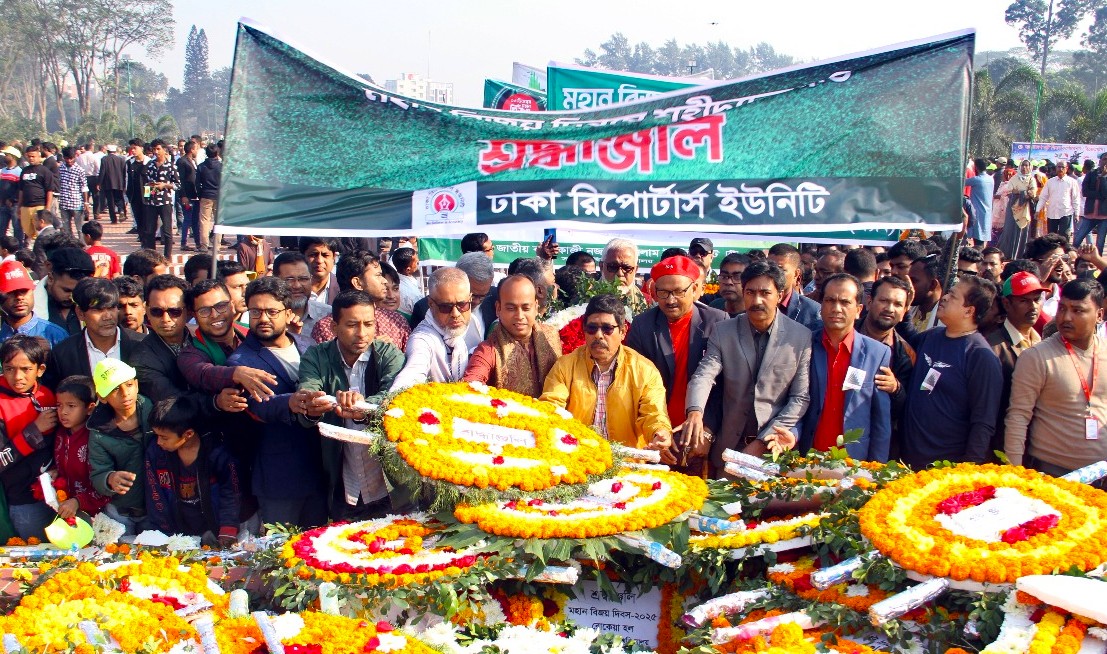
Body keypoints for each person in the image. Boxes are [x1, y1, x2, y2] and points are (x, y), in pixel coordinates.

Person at [683, 260, 812, 475]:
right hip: (728, 448)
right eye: (750, 292)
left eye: (765, 293)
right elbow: (704, 375)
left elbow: (800, 398)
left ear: (780, 295)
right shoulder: (723, 331)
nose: (757, 300)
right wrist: (695, 412)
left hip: (773, 449)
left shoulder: (800, 337)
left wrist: (763, 441)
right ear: (743, 292)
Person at [226, 276, 328, 529]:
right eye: (255, 312)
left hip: (320, 468)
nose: (263, 319)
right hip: (279, 477)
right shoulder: (241, 362)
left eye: (272, 312)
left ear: (288, 312)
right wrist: (291, 402)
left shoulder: (308, 344)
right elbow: (257, 404)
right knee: (281, 548)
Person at [298, 291, 408, 520]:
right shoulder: (316, 357)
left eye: (368, 324)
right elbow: (308, 390)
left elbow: (395, 395)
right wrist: (313, 402)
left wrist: (364, 407)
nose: (362, 333)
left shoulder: (389, 355)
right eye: (352, 325)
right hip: (341, 482)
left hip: (389, 482)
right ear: (334, 327)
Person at [624, 256, 727, 473]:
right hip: (658, 433)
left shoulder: (718, 322)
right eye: (663, 292)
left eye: (679, 292)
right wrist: (655, 432)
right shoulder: (643, 325)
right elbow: (635, 385)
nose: (671, 300)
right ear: (654, 292)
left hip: (700, 433)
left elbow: (725, 386)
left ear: (695, 288)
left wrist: (708, 430)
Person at [540, 294, 672, 453]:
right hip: (577, 456)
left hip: (626, 459)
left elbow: (653, 412)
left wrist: (659, 432)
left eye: (607, 329)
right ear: (584, 331)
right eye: (592, 328)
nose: (598, 335)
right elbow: (552, 406)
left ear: (622, 332)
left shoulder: (644, 370)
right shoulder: (565, 366)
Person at [1006, 279, 1107, 478]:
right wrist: (1014, 473)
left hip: (1101, 474)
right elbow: (1018, 416)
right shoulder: (1036, 357)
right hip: (1052, 474)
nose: (1066, 317)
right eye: (1062, 308)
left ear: (1099, 315)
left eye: (1077, 310)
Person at [901, 276, 1003, 470]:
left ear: (969, 311)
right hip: (907, 459)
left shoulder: (980, 356)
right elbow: (905, 342)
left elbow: (983, 421)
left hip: (946, 467)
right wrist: (905, 308)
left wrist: (968, 469)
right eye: (947, 293)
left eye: (953, 296)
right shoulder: (931, 336)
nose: (945, 297)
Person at [799, 274, 891, 462]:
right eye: (830, 300)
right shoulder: (803, 345)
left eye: (845, 302)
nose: (836, 308)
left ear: (858, 310)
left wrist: (877, 467)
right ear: (821, 305)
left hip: (853, 462)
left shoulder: (877, 353)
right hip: (806, 457)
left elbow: (880, 420)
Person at [145, 395, 241, 546]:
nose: (158, 442)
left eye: (164, 437)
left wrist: (227, 530)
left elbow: (231, 491)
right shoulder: (156, 453)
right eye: (156, 435)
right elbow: (155, 494)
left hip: (215, 528)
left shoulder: (217, 453)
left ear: (188, 434)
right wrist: (165, 536)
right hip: (178, 532)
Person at [463, 275, 562, 397]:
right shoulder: (488, 350)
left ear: (536, 307)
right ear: (498, 309)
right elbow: (470, 385)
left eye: (526, 308)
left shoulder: (552, 336)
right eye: (511, 308)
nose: (519, 316)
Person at [0, 335, 58, 539]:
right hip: (23, 500)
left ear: (40, 370)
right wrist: (34, 430)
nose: (17, 377)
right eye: (9, 368)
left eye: (25, 369)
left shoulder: (48, 395)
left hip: (59, 494)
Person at [88, 358, 154, 534]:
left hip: (157, 507)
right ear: (102, 397)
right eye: (115, 389)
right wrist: (110, 479)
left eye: (129, 385)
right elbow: (98, 473)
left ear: (137, 385)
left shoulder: (153, 412)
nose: (125, 393)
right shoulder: (99, 431)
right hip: (121, 511)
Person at [987, 271, 1048, 461]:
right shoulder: (992, 348)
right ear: (1006, 303)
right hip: (1000, 447)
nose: (1033, 306)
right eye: (1024, 301)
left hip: (1035, 445)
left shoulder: (1043, 344)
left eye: (1037, 299)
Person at [42, 277, 145, 389]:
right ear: (80, 313)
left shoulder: (142, 345)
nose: (107, 316)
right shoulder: (63, 354)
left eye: (112, 308)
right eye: (98, 310)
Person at [391, 267, 482, 390]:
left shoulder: (473, 323)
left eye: (462, 305)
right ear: (430, 304)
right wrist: (397, 396)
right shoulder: (422, 339)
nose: (455, 314)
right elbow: (413, 372)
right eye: (446, 307)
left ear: (470, 298)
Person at [857, 275, 916, 458]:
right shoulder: (845, 334)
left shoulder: (905, 354)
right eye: (884, 301)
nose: (890, 309)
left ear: (905, 311)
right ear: (869, 301)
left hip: (875, 441)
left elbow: (906, 409)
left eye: (898, 304)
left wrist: (896, 389)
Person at [311, 250, 411, 351]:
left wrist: (392, 354)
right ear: (357, 283)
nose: (384, 281)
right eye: (378, 275)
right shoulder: (325, 327)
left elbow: (411, 359)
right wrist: (367, 352)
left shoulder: (396, 321)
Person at [53, 375, 110, 520]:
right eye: (59, 405)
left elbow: (105, 483)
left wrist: (78, 501)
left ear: (90, 408)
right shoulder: (60, 434)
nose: (63, 412)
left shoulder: (97, 438)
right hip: (67, 509)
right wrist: (55, 472)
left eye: (71, 406)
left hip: (98, 514)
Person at [0, 261, 67, 346]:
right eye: (11, 292)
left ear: (33, 291)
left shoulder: (55, 335)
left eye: (24, 291)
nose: (19, 297)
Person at [34, 247, 94, 336]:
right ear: (51, 278)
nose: (72, 297)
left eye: (77, 292)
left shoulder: (92, 305)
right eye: (67, 290)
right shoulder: (30, 309)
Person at [273, 251, 329, 338]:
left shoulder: (328, 315)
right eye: (289, 279)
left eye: (303, 279)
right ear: (275, 280)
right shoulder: (265, 318)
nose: (297, 286)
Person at [767, 244, 823, 330]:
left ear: (796, 274)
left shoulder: (812, 311)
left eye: (781, 270)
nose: (773, 274)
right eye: (769, 268)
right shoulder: (755, 303)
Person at [140, 139, 179, 256]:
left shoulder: (171, 166)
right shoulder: (149, 165)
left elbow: (178, 185)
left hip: (165, 202)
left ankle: (167, 257)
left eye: (158, 149)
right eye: (154, 149)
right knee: (150, 231)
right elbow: (146, 184)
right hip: (151, 202)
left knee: (167, 231)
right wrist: (148, 197)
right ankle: (152, 256)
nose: (156, 152)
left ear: (164, 150)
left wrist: (165, 185)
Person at [16, 146, 54, 246]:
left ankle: (40, 250)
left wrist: (47, 208)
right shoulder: (24, 171)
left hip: (39, 206)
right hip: (25, 206)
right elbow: (21, 190)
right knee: (27, 231)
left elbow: (49, 190)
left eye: (33, 156)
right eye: (29, 156)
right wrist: (19, 206)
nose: (31, 158)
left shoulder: (45, 171)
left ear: (39, 156)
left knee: (40, 232)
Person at [600, 238, 647, 314]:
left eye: (626, 268)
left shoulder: (648, 303)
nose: (620, 274)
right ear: (601, 266)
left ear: (635, 270)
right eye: (613, 267)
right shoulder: (584, 300)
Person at [1036, 159, 1081, 239]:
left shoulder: (1072, 182)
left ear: (1066, 169)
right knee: (1051, 237)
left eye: (1062, 167)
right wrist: (1037, 210)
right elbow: (1043, 197)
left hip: (1066, 213)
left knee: (1064, 237)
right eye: (1058, 167)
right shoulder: (1050, 182)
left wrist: (1077, 214)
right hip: (1052, 213)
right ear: (1056, 168)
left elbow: (1075, 199)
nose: (1060, 169)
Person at [56, 147, 89, 237]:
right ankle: (70, 243)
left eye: (71, 158)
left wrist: (86, 202)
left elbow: (84, 187)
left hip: (76, 203)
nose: (69, 161)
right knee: (66, 229)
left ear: (75, 157)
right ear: (64, 157)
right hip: (64, 203)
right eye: (67, 158)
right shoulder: (60, 169)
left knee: (80, 229)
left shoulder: (79, 170)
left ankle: (82, 244)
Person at [907, 254, 944, 332]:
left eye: (913, 281)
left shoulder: (946, 321)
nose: (908, 285)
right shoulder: (908, 310)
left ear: (932, 285)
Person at [175, 141, 200, 252]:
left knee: (195, 220)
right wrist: (183, 195)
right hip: (187, 196)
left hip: (195, 195)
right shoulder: (182, 162)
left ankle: (198, 243)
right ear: (191, 150)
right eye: (196, 149)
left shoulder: (193, 161)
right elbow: (180, 180)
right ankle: (183, 243)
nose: (197, 151)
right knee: (187, 219)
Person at [196, 144, 221, 251]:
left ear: (206, 153)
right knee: (218, 221)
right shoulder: (222, 167)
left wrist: (200, 194)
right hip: (219, 196)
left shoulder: (201, 167)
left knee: (204, 221)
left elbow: (197, 183)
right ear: (217, 153)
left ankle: (204, 245)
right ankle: (217, 245)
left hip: (206, 195)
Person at [965, 158, 995, 247]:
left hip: (977, 211)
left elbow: (962, 182)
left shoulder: (977, 179)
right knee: (982, 235)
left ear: (976, 168)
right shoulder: (990, 179)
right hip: (987, 211)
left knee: (977, 236)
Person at [300, 237, 339, 305]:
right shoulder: (292, 289)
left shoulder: (343, 289)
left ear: (334, 258)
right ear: (302, 257)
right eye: (313, 255)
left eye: (325, 255)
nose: (319, 261)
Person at [709, 253, 749, 317]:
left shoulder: (754, 315)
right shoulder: (714, 307)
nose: (728, 282)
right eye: (724, 276)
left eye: (737, 277)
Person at [217, 260, 252, 328]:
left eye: (247, 285)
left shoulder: (255, 325)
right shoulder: (201, 325)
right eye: (237, 287)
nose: (245, 293)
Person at [98, 144, 127, 225]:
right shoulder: (121, 159)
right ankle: (121, 211)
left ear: (108, 151)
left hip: (108, 183)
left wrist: (99, 183)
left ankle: (113, 219)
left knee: (111, 202)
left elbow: (102, 171)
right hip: (119, 183)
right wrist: (124, 183)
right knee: (120, 199)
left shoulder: (104, 159)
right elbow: (124, 172)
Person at [0, 146, 23, 244]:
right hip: (3, 204)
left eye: (7, 155)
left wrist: (12, 199)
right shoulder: (3, 171)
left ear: (13, 157)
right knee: (1, 228)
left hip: (14, 205)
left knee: (17, 228)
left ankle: (18, 247)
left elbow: (20, 189)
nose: (4, 157)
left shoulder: (19, 172)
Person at [392, 247, 421, 314]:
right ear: (408, 270)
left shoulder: (392, 280)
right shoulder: (413, 295)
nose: (418, 262)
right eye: (417, 263)